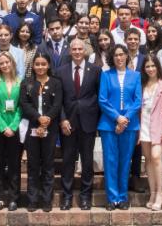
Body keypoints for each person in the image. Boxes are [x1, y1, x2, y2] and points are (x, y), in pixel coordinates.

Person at [56, 39, 101, 211]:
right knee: (67, 161)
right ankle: (66, 197)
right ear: (69, 51)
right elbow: (58, 99)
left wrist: (96, 121)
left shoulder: (95, 71)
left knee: (87, 161)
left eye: (79, 49)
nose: (76, 52)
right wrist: (62, 119)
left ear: (85, 51)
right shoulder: (60, 71)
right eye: (73, 49)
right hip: (68, 123)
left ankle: (85, 197)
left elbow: (99, 97)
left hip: (88, 123)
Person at [98, 44, 142, 210]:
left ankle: (123, 197)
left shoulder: (136, 75)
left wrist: (125, 120)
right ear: (112, 58)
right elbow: (102, 100)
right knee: (110, 161)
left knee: (125, 161)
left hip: (129, 125)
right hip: (109, 125)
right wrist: (117, 118)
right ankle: (112, 198)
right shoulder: (106, 75)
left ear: (126, 56)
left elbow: (137, 100)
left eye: (122, 54)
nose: (119, 58)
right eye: (115, 55)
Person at [20, 52, 62, 212]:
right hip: (32, 127)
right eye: (37, 64)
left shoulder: (56, 83)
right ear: (33, 66)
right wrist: (38, 118)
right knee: (33, 165)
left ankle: (46, 200)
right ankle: (32, 199)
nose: (40, 67)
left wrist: (46, 120)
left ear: (49, 65)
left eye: (43, 64)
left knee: (48, 165)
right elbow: (24, 104)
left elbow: (57, 105)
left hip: (49, 129)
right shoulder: (27, 83)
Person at [0, 51, 23, 211]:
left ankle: (14, 198)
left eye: (7, 62)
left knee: (15, 164)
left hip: (15, 129)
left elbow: (22, 107)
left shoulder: (20, 82)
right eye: (1, 63)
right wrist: (3, 127)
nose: (4, 65)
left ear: (12, 63)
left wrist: (13, 126)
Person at [138, 53, 162, 211]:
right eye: (147, 66)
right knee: (148, 160)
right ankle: (152, 193)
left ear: (158, 67)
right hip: (143, 126)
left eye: (153, 66)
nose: (150, 69)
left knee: (156, 157)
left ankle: (160, 193)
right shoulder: (141, 84)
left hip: (159, 126)